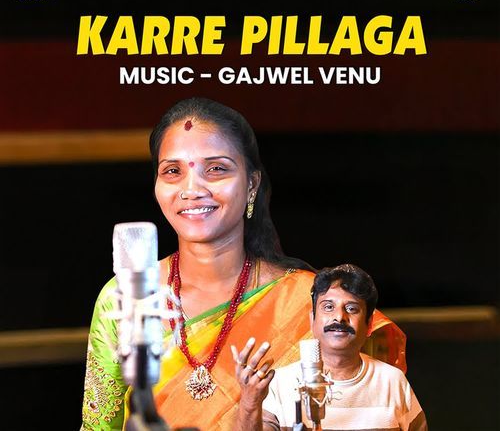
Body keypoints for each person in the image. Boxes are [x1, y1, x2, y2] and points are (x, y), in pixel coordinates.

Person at [81, 97, 406, 431]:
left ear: (252, 184)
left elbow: (363, 410)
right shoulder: (125, 297)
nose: (191, 189)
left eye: (216, 169)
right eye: (173, 171)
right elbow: (98, 426)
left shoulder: (309, 301)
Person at [232, 264, 427, 431]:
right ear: (312, 321)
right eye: (328, 307)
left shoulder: (392, 381)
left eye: (351, 308)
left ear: (369, 325)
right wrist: (250, 402)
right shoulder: (279, 385)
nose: (339, 317)